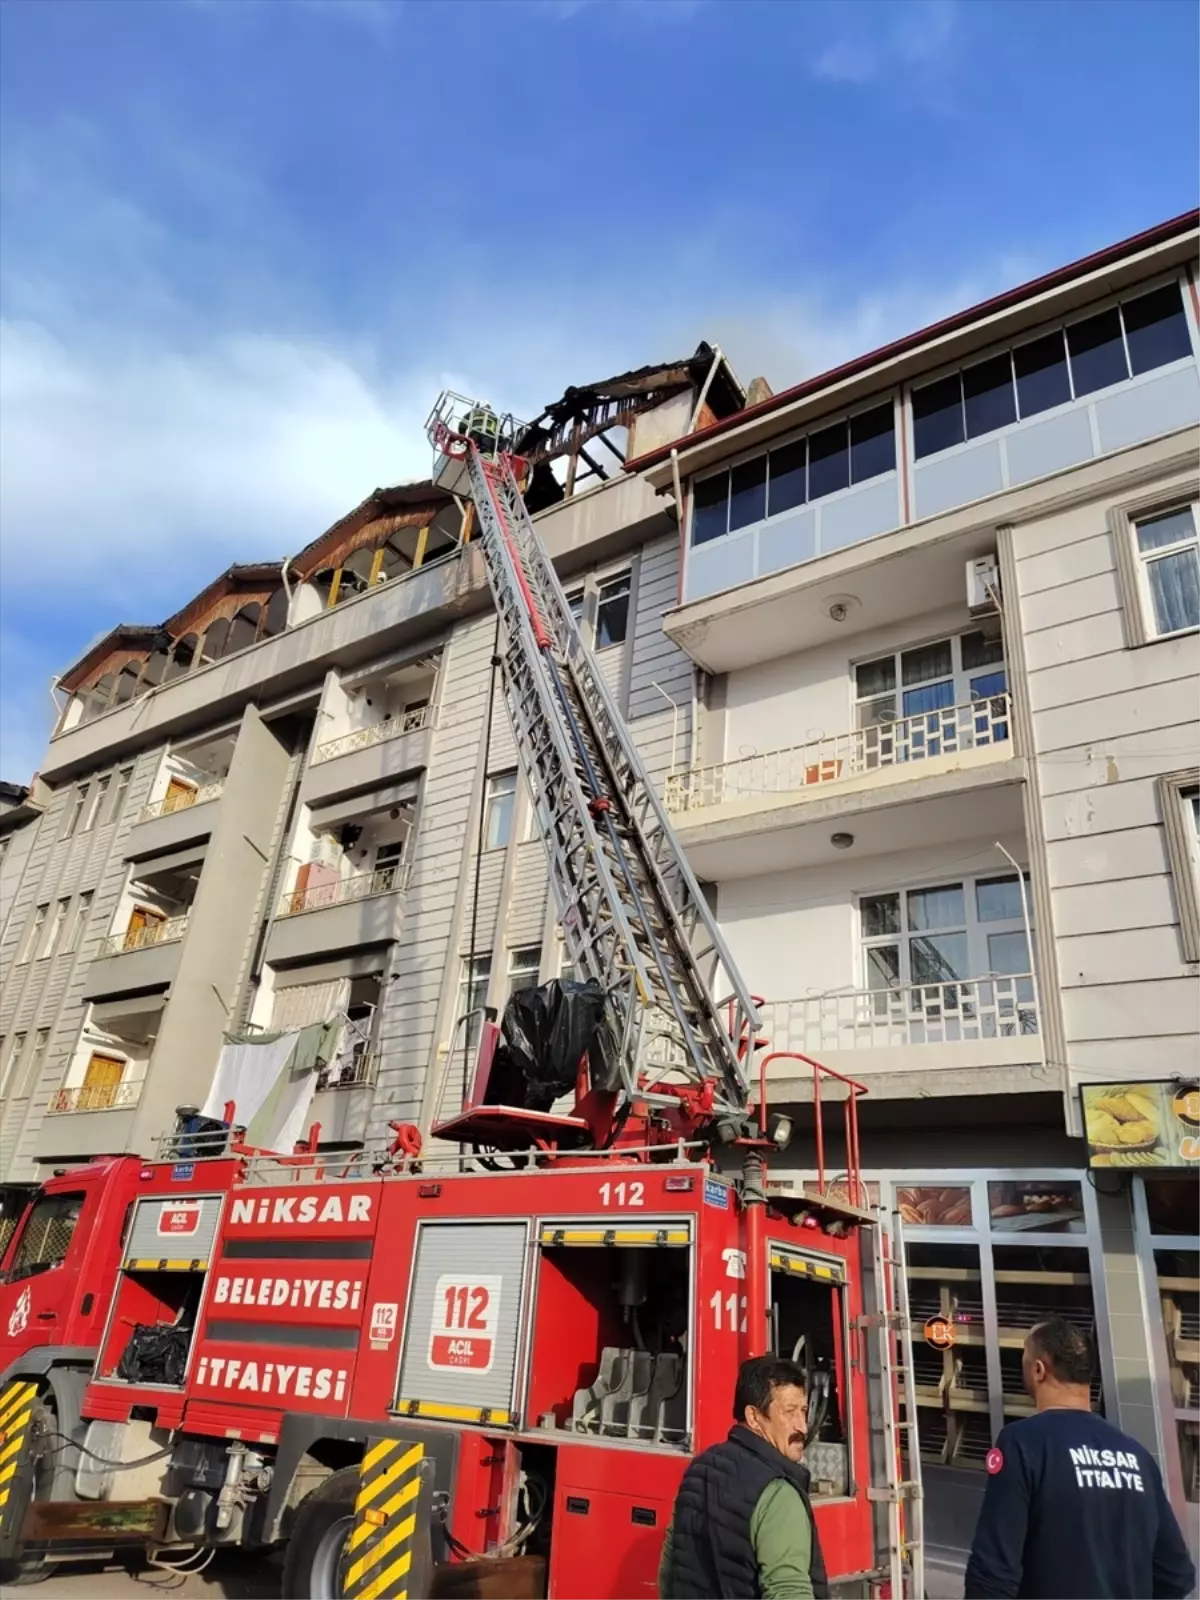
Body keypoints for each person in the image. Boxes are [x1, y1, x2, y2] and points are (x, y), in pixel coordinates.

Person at [965, 1316, 1195, 1600]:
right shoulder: (1138, 1457)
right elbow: (1177, 1575)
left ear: (1038, 1370)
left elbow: (992, 1574)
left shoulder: (1022, 1443)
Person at [658, 1354, 828, 1600]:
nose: (802, 1426)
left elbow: (669, 1571)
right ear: (754, 1417)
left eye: (803, 1411)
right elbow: (789, 1592)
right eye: (789, 1412)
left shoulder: (699, 1470)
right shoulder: (779, 1493)